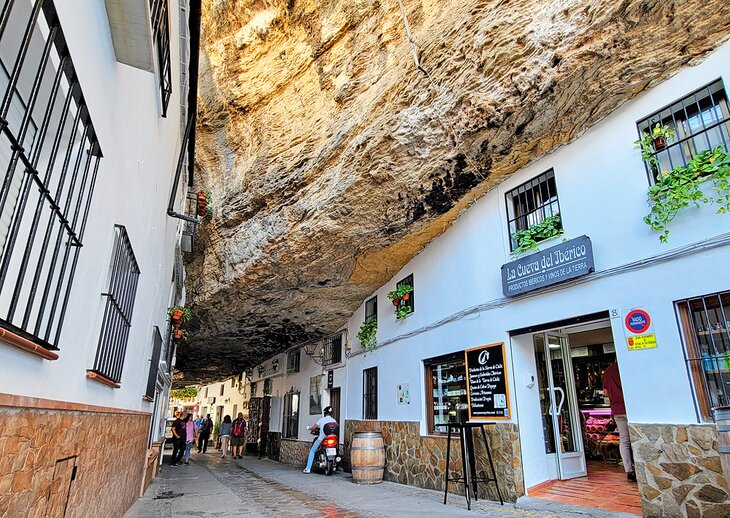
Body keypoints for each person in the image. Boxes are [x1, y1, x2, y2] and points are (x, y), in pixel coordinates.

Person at [603, 362, 636, 482]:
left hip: (617, 409)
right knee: (636, 438)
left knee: (624, 439)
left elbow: (606, 393)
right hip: (631, 408)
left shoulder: (607, 372)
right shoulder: (626, 367)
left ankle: (629, 470)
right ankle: (639, 466)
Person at [303, 406, 337, 474]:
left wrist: (311, 429)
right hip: (333, 439)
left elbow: (313, 427)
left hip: (322, 438)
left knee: (312, 450)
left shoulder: (321, 420)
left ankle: (308, 468)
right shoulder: (334, 421)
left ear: (325, 413)